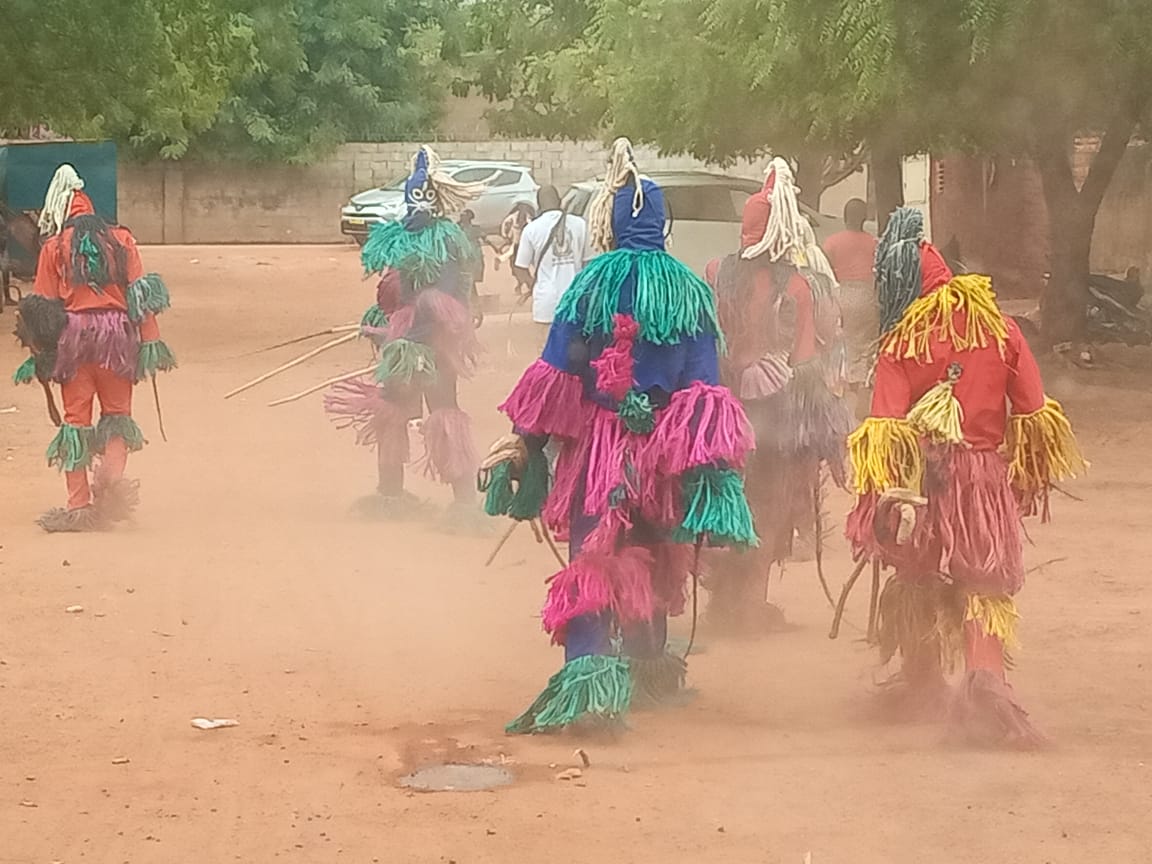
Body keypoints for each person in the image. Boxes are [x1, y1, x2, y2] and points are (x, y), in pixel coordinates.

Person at [482, 138, 757, 733]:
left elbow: (557, 373)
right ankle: (647, 667)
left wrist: (526, 442)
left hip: (599, 452)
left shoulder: (588, 288)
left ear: (610, 219)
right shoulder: (689, 292)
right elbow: (703, 390)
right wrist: (709, 474)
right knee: (656, 552)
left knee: (596, 552)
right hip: (662, 451)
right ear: (665, 224)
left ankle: (588, 678)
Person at [845, 207, 1086, 746]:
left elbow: (885, 428)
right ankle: (987, 687)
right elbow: (1032, 412)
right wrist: (1021, 483)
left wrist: (879, 505)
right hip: (980, 479)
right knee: (984, 584)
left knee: (915, 577)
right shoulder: (1001, 330)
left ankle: (922, 685)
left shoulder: (900, 342)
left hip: (921, 481)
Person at [703, 158, 851, 634]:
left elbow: (707, 344)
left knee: (725, 500)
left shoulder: (713, 271)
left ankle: (722, 603)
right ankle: (751, 604)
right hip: (779, 418)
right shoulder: (800, 285)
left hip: (722, 413)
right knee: (769, 506)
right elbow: (806, 360)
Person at [325, 146, 483, 522]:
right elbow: (390, 295)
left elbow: (446, 298)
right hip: (401, 341)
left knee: (443, 410)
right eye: (413, 198)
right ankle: (391, 494)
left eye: (424, 197)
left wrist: (414, 336)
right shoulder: (399, 238)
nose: (418, 206)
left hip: (436, 342)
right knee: (393, 409)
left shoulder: (447, 240)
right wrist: (382, 327)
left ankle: (464, 503)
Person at [14, 164, 175, 532]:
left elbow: (41, 309)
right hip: (118, 339)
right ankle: (110, 487)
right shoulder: (123, 240)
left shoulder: (54, 247)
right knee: (117, 416)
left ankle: (79, 507)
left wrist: (42, 355)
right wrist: (150, 342)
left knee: (76, 423)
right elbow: (140, 297)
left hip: (74, 341)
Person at [512, 185, 590, 352]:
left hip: (546, 304)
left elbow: (520, 268)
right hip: (576, 301)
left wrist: (532, 284)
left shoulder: (531, 230)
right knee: (577, 356)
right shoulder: (580, 225)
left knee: (549, 357)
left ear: (539, 206)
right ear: (560, 202)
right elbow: (589, 264)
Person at [822, 198, 879, 397]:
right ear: (864, 218)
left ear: (845, 217)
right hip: (866, 296)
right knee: (865, 343)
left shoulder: (832, 242)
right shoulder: (873, 242)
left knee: (843, 342)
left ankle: (844, 384)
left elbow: (824, 270)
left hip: (842, 295)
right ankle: (862, 384)